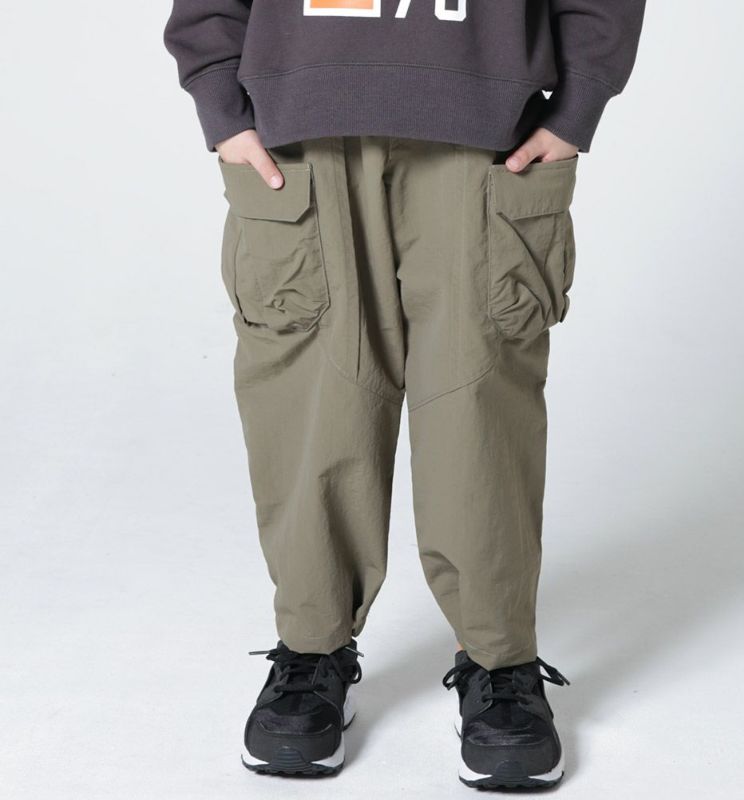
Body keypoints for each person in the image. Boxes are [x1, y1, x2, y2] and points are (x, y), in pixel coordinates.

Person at [164, 0, 645, 789]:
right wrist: (219, 100)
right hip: (300, 125)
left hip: (489, 125)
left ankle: (498, 662)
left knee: (479, 405)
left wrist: (579, 103)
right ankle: (312, 649)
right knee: (312, 405)